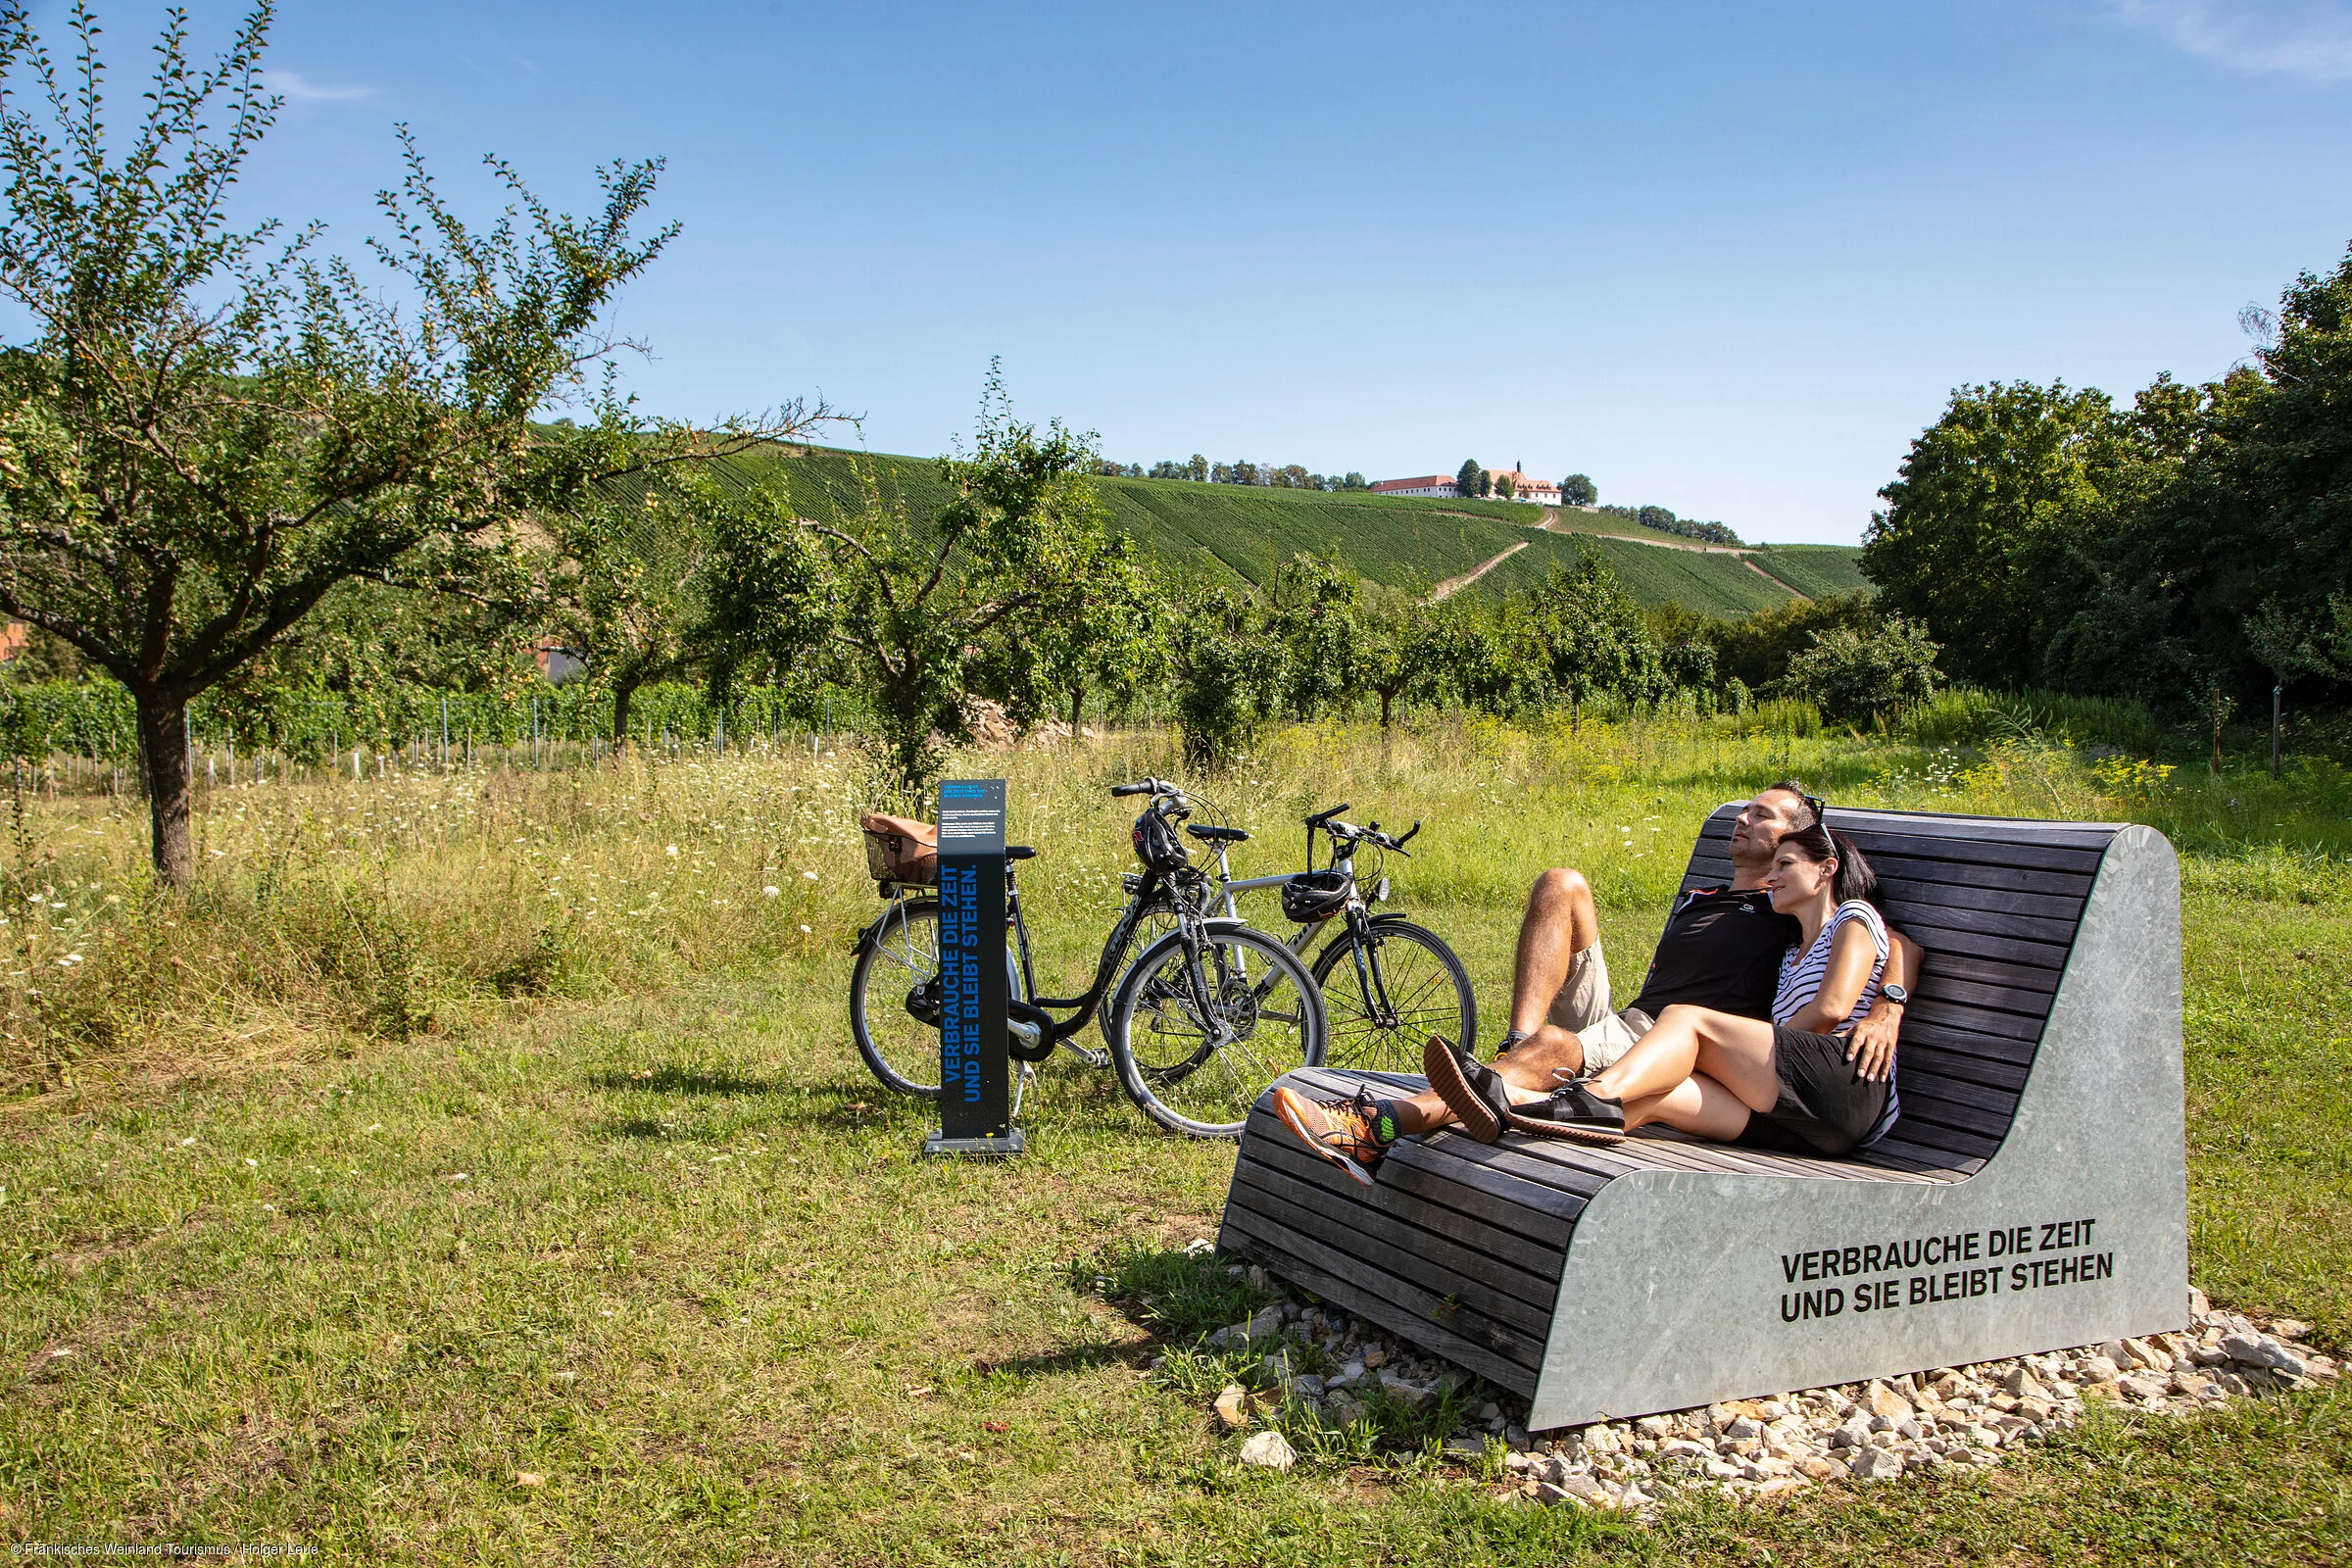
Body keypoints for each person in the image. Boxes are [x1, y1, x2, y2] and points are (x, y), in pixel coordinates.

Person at [1268, 782, 1916, 1184]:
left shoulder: (1792, 913)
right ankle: (1514, 1048)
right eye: (1745, 812)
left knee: (1555, 1054)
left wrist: (1887, 1008)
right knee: (1562, 884)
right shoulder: (1711, 896)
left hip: (1678, 1041)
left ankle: (1378, 1126)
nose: (1746, 821)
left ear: (1809, 853)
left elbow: (1893, 942)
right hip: (1641, 1019)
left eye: (1767, 819)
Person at [1522, 821, 1902, 1155]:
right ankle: (1522, 1111)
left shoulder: (1853, 915)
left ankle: (1591, 1096)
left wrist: (1890, 1007)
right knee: (1658, 1097)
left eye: (1785, 865)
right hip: (1800, 1122)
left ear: (1827, 869)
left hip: (1844, 1087)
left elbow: (1831, 1010)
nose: (1772, 878)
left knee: (1685, 1019)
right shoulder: (1790, 953)